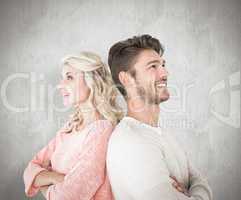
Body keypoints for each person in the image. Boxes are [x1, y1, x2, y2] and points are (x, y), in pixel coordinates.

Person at [106, 34, 213, 200]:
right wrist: (195, 192)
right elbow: (200, 184)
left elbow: (199, 180)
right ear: (126, 79)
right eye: (153, 66)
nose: (165, 73)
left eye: (163, 64)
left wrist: (192, 192)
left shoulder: (161, 133)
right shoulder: (131, 141)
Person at [23, 52, 123, 200]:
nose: (60, 85)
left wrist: (44, 183)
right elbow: (30, 169)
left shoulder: (101, 130)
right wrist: (56, 178)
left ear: (92, 82)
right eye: (62, 78)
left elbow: (69, 196)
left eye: (69, 77)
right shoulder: (70, 127)